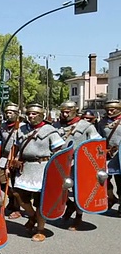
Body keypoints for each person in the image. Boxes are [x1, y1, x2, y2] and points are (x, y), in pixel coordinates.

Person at [12, 103, 65, 242]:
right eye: (29, 113)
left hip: (42, 168)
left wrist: (56, 171)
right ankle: (33, 216)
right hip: (25, 167)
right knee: (18, 193)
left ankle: (40, 229)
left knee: (40, 201)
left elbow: (59, 152)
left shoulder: (50, 130)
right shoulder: (21, 129)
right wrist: (15, 160)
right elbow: (16, 148)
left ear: (41, 115)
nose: (31, 116)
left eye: (34, 114)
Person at [54, 100, 101, 230]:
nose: (64, 114)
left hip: (79, 164)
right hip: (61, 163)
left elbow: (96, 143)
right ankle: (70, 206)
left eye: (67, 111)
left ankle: (78, 217)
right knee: (58, 188)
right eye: (63, 111)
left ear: (74, 111)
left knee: (78, 191)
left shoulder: (86, 126)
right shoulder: (56, 126)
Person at [0, 103, 23, 219]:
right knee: (2, 182)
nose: (8, 114)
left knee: (14, 184)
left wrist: (17, 158)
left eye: (11, 112)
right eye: (7, 112)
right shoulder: (2, 126)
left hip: (15, 158)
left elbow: (21, 144)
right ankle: (12, 200)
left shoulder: (21, 126)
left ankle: (17, 208)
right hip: (3, 158)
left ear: (16, 114)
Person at [97, 100, 121, 212]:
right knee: (103, 179)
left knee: (120, 182)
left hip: (119, 156)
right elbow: (98, 138)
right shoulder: (102, 123)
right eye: (108, 110)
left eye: (112, 110)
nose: (110, 112)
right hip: (106, 155)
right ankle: (111, 197)